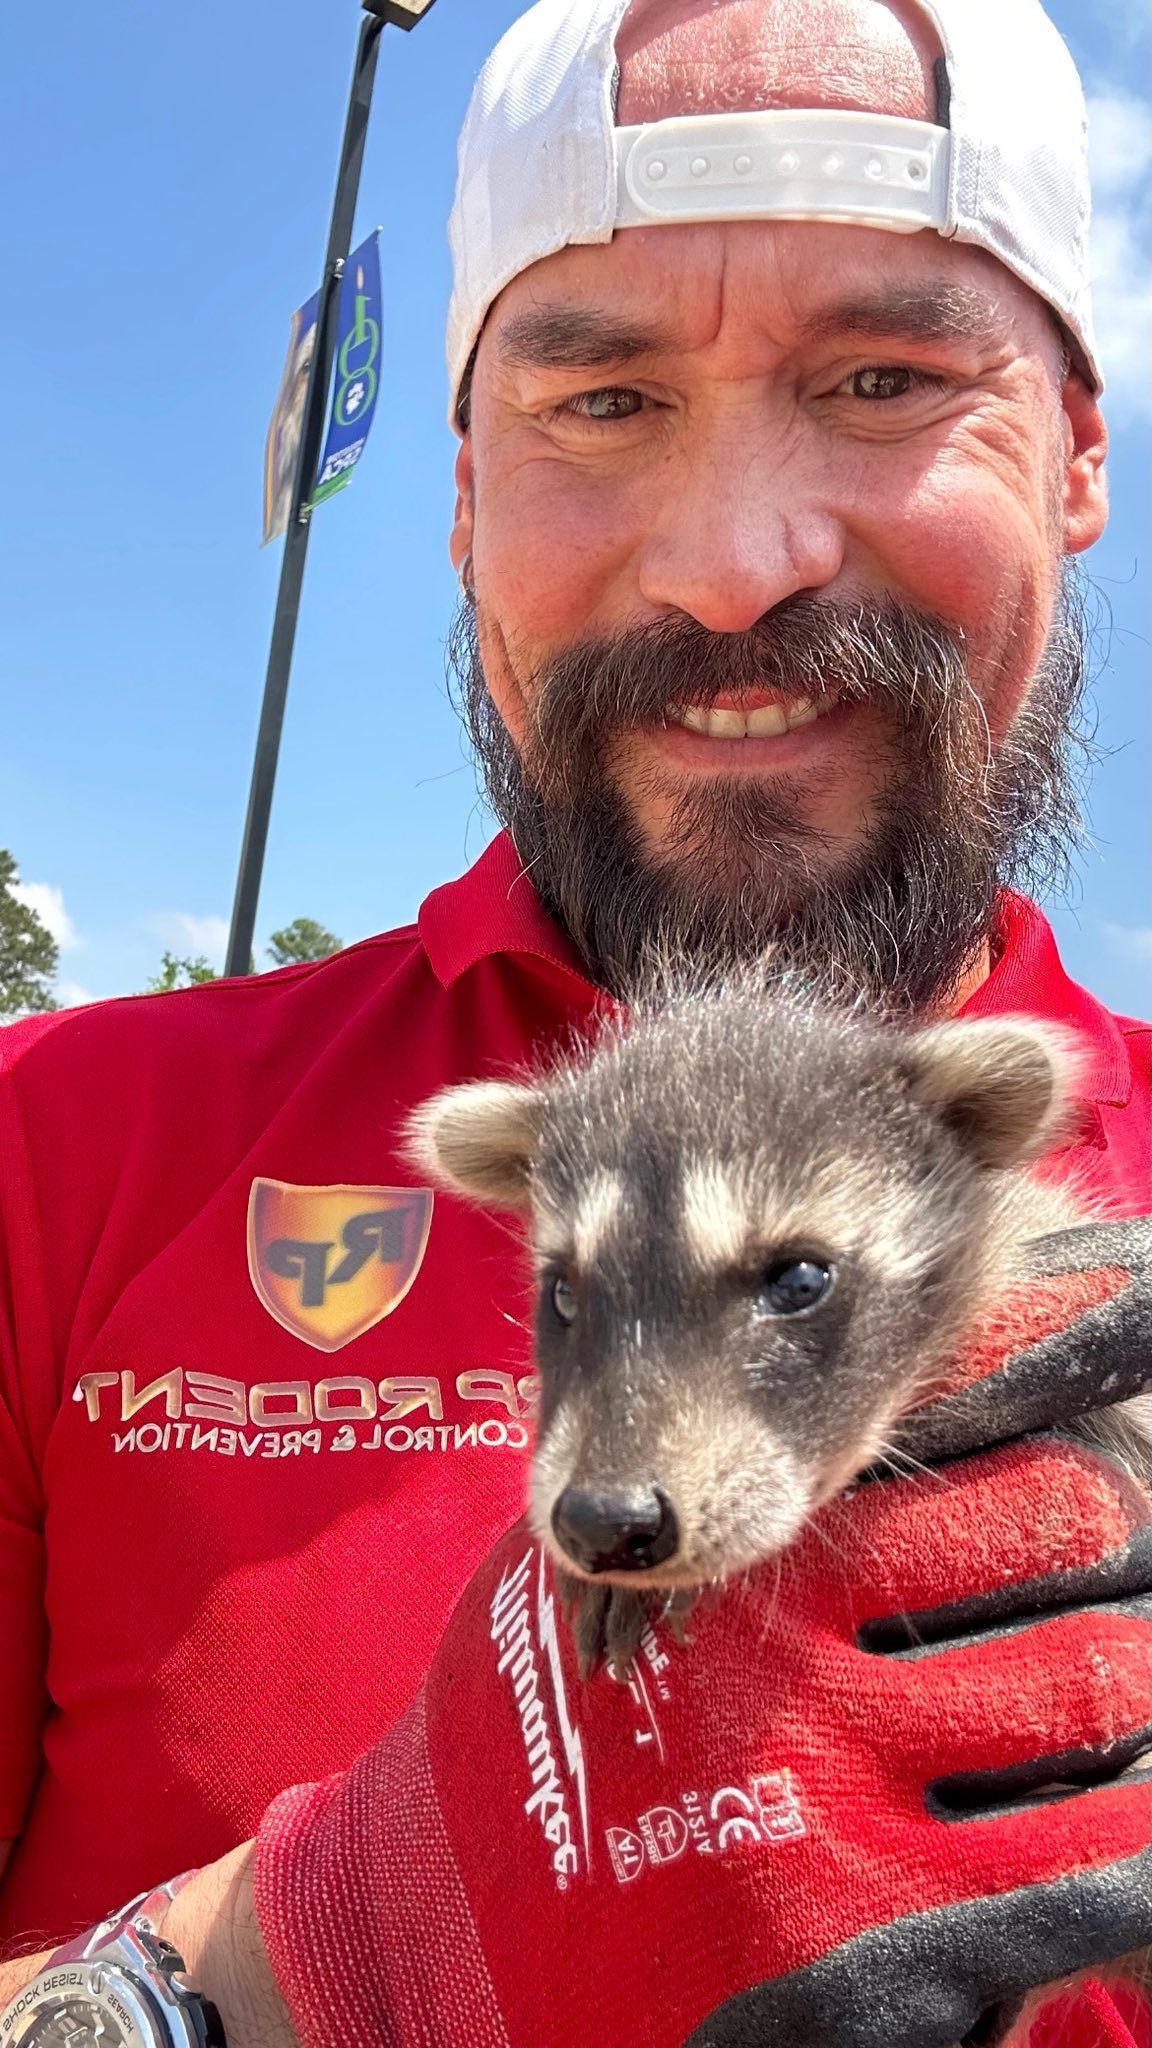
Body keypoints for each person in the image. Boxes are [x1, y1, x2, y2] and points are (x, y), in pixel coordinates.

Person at [0, 0, 1148, 2040]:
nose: (729, 568)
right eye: (603, 403)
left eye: (885, 378)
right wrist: (293, 1955)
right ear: (460, 504)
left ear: (1076, 459)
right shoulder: (54, 1148)